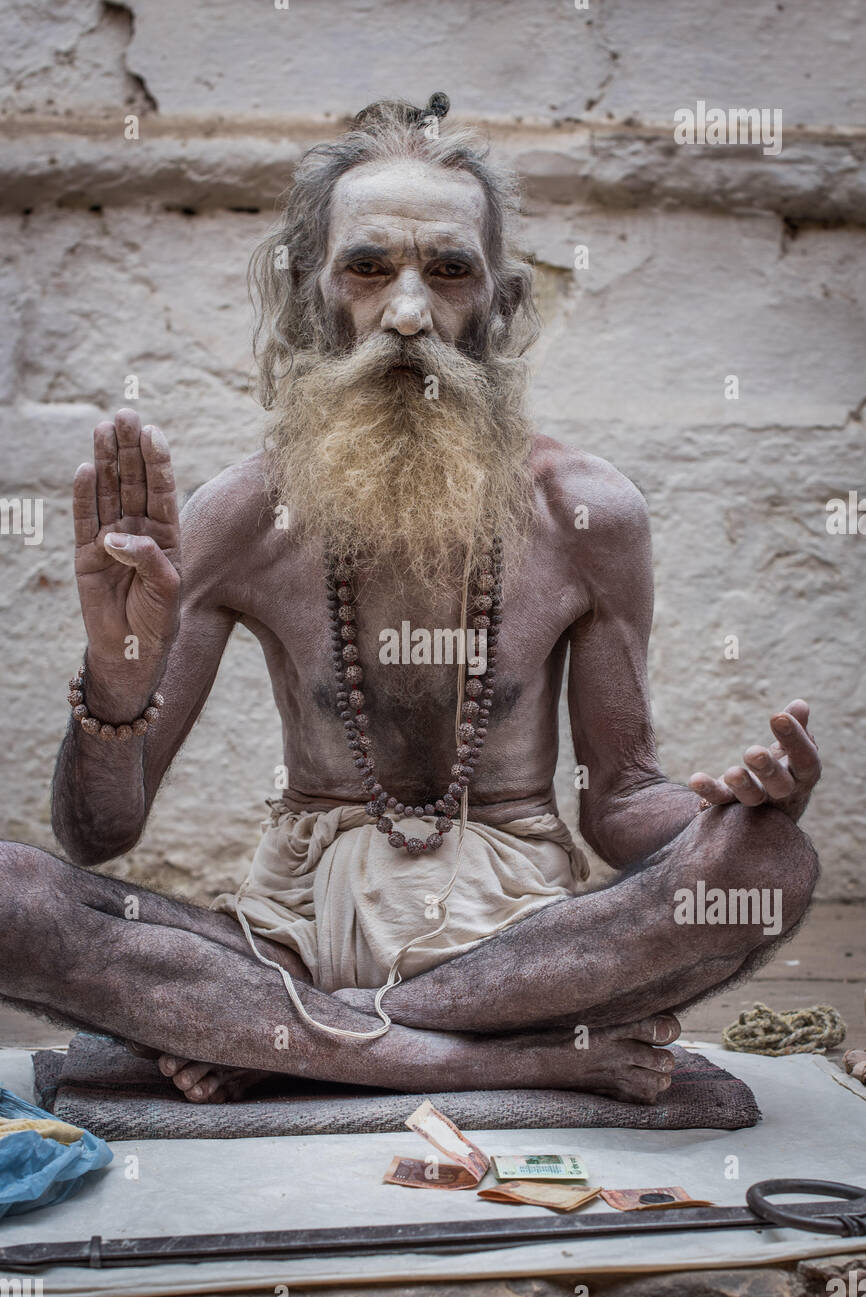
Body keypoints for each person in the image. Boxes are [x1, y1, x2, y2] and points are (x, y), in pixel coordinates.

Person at [1, 95, 820, 1105]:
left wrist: (718, 816)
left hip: (516, 946)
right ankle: (488, 1059)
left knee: (766, 866)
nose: (404, 311)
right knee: (11, 896)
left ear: (497, 305)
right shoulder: (240, 517)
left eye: (445, 269)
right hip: (288, 942)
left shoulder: (588, 514)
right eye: (366, 267)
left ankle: (291, 1047)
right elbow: (97, 835)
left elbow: (618, 801)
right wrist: (117, 689)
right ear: (312, 298)